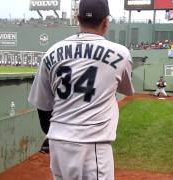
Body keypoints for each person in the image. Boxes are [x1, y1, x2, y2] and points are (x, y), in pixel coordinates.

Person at [28, 0, 135, 179]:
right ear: (106, 21)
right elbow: (126, 90)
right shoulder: (121, 53)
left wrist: (53, 133)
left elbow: (43, 105)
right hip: (92, 144)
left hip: (58, 143)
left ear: (77, 18)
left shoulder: (51, 52)